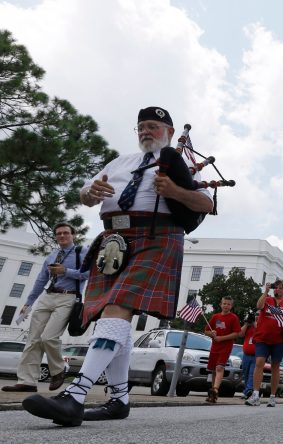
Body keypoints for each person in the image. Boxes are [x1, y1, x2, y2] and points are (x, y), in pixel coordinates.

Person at [21, 106, 213, 427]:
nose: (145, 132)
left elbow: (206, 203)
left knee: (118, 308)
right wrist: (90, 193)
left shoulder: (179, 163)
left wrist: (175, 191)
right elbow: (85, 194)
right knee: (113, 315)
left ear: (168, 131)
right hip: (113, 241)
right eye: (140, 128)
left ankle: (75, 396)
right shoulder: (119, 162)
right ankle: (119, 399)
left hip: (156, 237)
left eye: (152, 126)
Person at [2, 222, 89, 393]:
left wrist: (66, 271)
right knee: (32, 340)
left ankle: (58, 370)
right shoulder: (52, 255)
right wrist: (28, 303)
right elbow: (41, 280)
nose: (62, 236)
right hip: (47, 296)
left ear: (73, 235)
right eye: (58, 234)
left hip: (68, 297)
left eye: (66, 233)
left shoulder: (82, 252)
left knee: (48, 337)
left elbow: (88, 274)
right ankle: (27, 381)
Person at [245, 279, 283, 408]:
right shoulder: (267, 300)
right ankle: (256, 395)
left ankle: (272, 396)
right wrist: (266, 291)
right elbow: (258, 306)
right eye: (276, 287)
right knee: (259, 363)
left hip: (279, 340)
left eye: (280, 288)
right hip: (262, 337)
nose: (277, 290)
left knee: (275, 366)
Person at [203, 296, 241, 403]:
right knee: (214, 370)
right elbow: (206, 331)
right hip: (215, 346)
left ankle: (215, 390)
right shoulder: (215, 317)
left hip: (226, 347)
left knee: (220, 367)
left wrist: (222, 338)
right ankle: (213, 394)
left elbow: (236, 333)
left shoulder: (233, 318)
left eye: (228, 304)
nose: (226, 306)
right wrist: (212, 333)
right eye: (224, 303)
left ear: (231, 306)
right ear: (221, 304)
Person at [239, 311, 257, 399]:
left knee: (252, 374)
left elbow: (261, 330)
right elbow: (240, 334)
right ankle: (247, 391)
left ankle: (249, 390)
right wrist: (246, 324)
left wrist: (254, 322)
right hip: (246, 354)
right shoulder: (248, 327)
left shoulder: (258, 325)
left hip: (256, 355)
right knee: (245, 373)